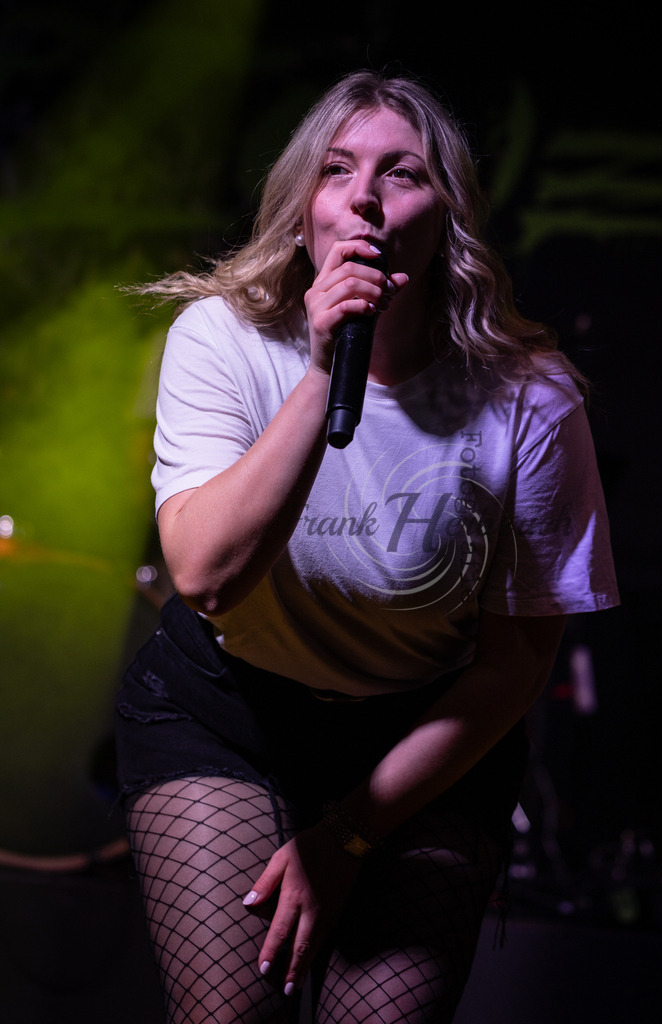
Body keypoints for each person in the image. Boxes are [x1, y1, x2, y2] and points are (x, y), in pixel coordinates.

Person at [115, 69, 619, 1024]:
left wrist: (349, 834)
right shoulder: (221, 339)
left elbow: (519, 664)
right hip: (229, 712)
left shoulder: (530, 398)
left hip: (421, 737)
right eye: (337, 168)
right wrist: (318, 370)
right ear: (303, 203)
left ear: (448, 217)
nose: (364, 197)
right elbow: (206, 575)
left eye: (402, 172)